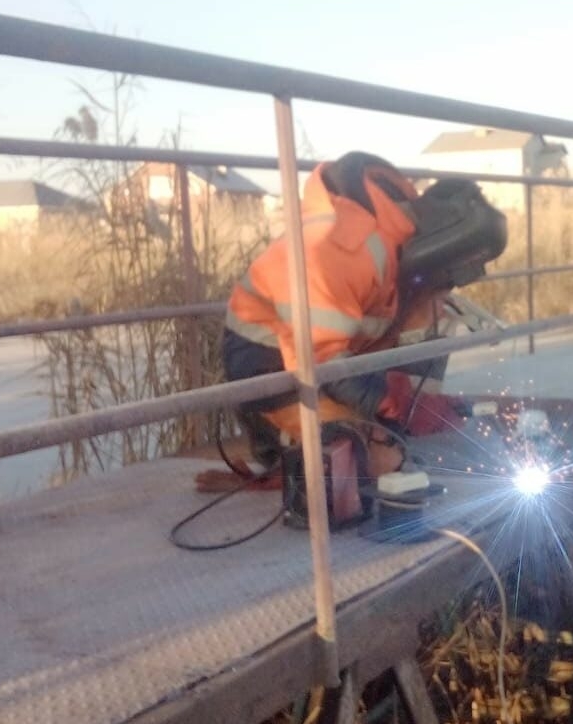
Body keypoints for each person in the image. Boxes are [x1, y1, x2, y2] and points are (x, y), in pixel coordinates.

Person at [211, 151, 506, 487]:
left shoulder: (396, 237)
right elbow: (320, 364)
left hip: (338, 353)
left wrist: (419, 406)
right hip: (271, 364)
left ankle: (368, 439)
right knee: (375, 465)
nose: (447, 286)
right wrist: (395, 403)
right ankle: (289, 458)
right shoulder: (339, 250)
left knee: (437, 320)